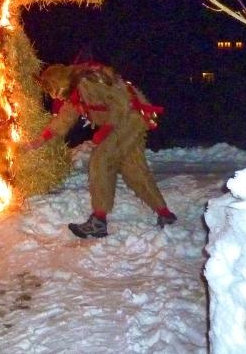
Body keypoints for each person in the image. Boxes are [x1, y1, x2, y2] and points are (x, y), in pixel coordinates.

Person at [28, 62, 177, 238]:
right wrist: (40, 140)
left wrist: (106, 130)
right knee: (133, 169)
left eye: (52, 90)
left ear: (57, 83)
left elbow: (122, 102)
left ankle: (98, 221)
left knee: (101, 160)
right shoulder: (75, 93)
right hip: (125, 121)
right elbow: (64, 119)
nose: (54, 97)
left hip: (129, 118)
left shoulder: (88, 82)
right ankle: (165, 213)